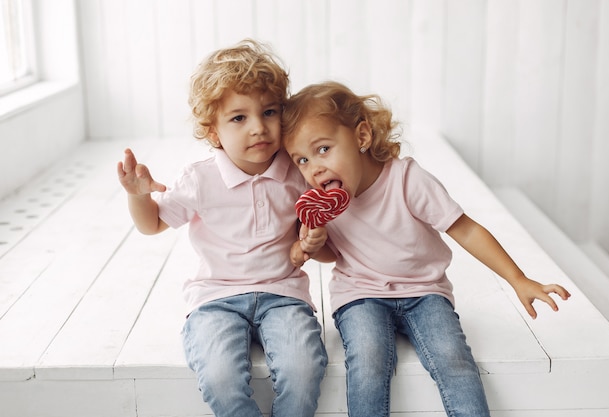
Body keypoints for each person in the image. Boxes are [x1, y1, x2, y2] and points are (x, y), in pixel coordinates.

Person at [283, 81, 571, 417]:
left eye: (323, 149)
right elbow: (332, 254)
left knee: (453, 358)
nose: (313, 167)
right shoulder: (321, 203)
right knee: (368, 360)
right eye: (301, 159)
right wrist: (314, 244)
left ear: (361, 137)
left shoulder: (406, 180)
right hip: (360, 294)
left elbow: (466, 229)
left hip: (425, 291)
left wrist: (518, 278)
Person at [117, 39, 327, 417]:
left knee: (304, 368)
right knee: (219, 376)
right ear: (213, 132)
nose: (258, 128)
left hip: (284, 293)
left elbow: (313, 233)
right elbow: (152, 224)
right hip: (215, 299)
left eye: (269, 112)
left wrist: (310, 238)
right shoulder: (200, 179)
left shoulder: (297, 172)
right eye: (238, 118)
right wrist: (137, 195)